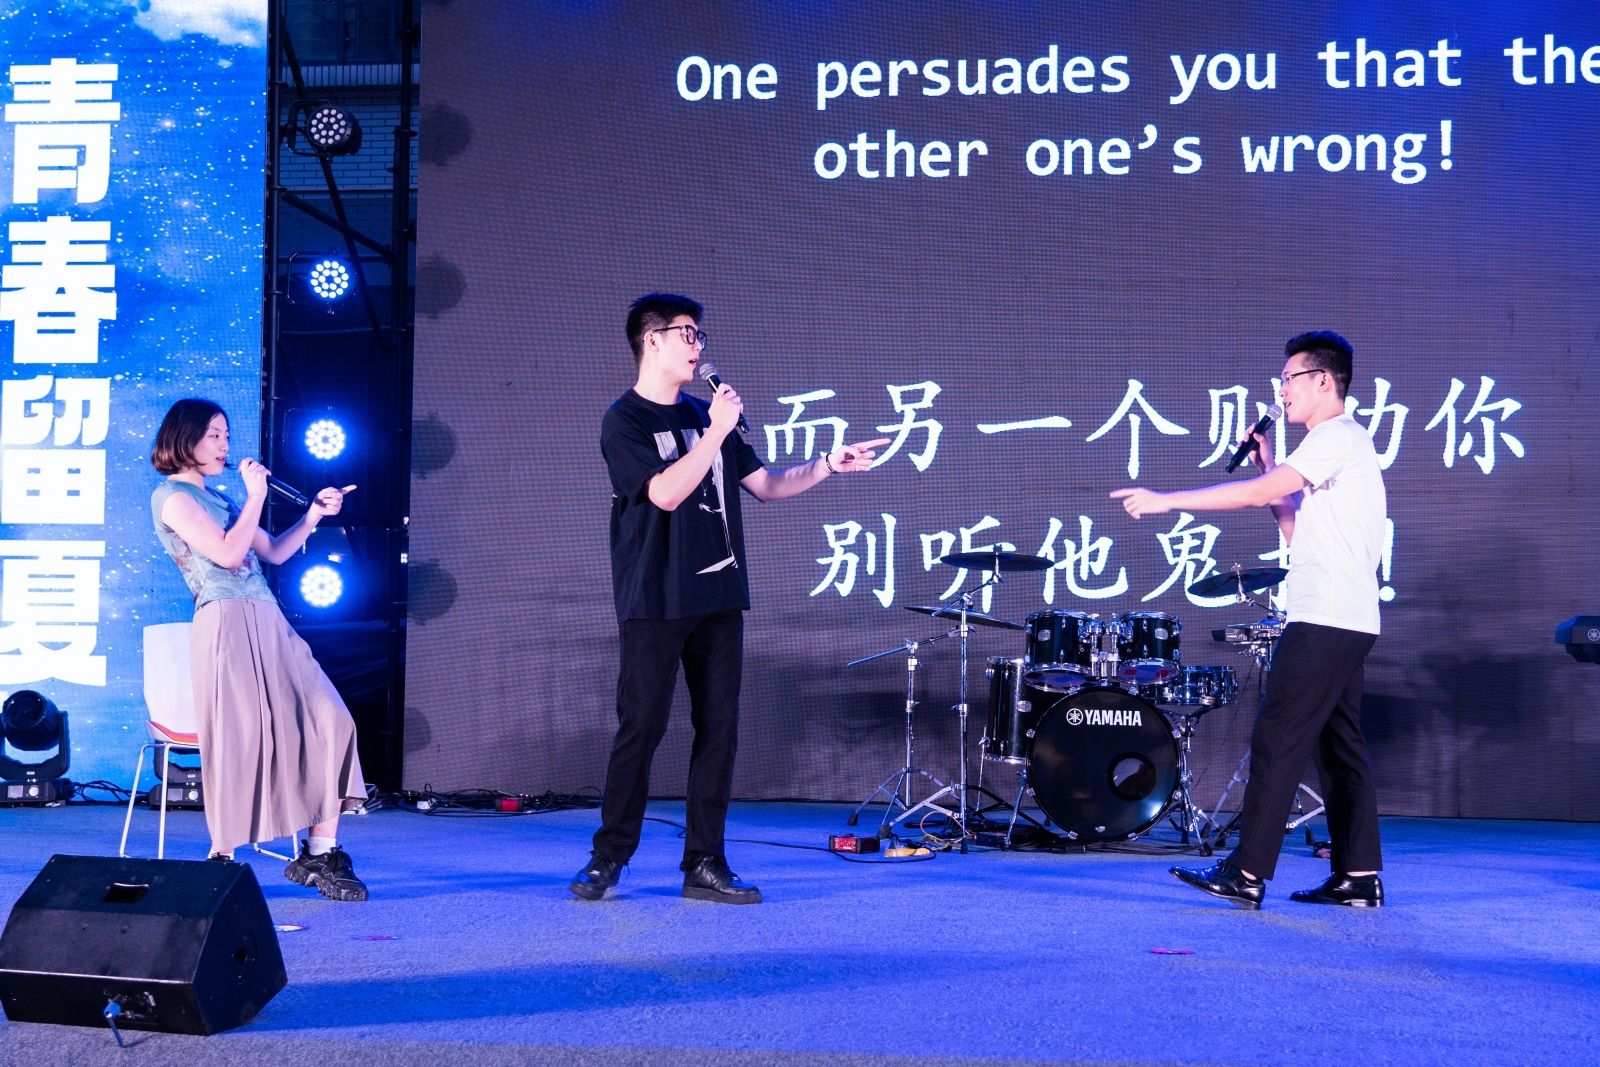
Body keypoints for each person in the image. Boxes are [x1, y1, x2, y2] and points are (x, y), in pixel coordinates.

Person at [571, 293, 890, 905]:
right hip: (655, 597)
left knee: (718, 729)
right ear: (652, 339)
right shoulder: (625, 420)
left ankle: (705, 862)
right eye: (686, 334)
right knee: (642, 728)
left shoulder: (705, 412)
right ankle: (608, 857)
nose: (698, 346)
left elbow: (765, 485)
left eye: (700, 335)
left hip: (718, 594)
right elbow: (665, 494)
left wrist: (828, 464)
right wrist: (714, 430)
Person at [1111, 331, 1387, 910]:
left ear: (1323, 380)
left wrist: (1167, 500)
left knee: (1278, 738)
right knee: (1339, 747)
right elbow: (1295, 529)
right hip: (1346, 616)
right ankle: (1358, 876)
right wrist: (1270, 464)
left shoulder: (1336, 434)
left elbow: (1260, 493)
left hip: (1325, 618)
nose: (1281, 391)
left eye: (1288, 379)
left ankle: (1247, 871)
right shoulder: (1335, 446)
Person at [150, 398, 370, 901]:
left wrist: (313, 514)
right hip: (226, 622)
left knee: (331, 720)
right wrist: (254, 496)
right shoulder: (172, 498)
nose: (224, 445)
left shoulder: (219, 499)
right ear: (183, 438)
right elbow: (228, 555)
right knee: (241, 738)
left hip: (267, 617)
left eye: (226, 435)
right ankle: (222, 854)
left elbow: (272, 551)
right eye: (213, 435)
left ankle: (320, 852)